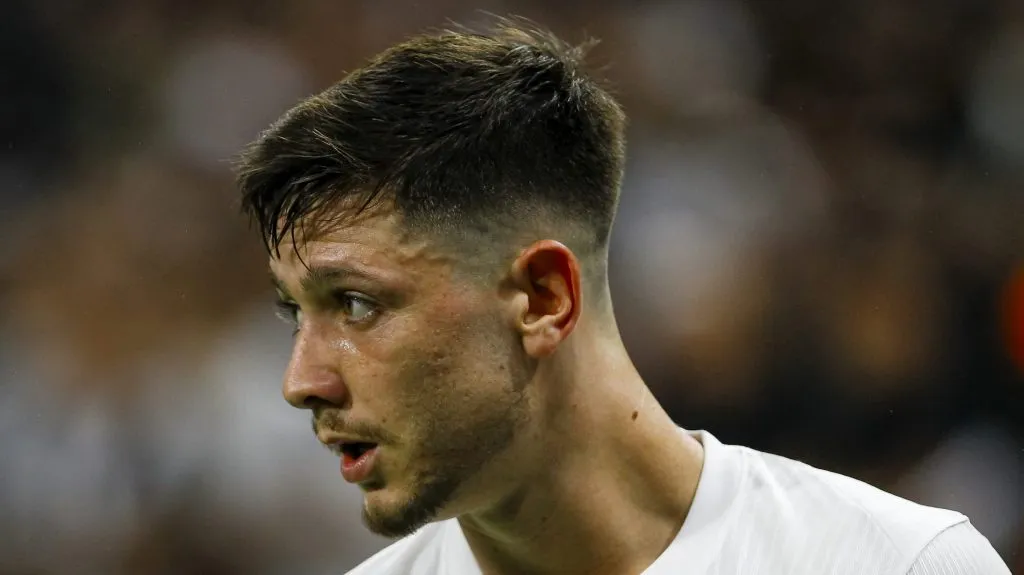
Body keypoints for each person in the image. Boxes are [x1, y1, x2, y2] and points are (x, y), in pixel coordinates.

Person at [234, 20, 1011, 575]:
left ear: (543, 298)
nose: (302, 380)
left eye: (356, 304)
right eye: (295, 312)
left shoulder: (898, 562)